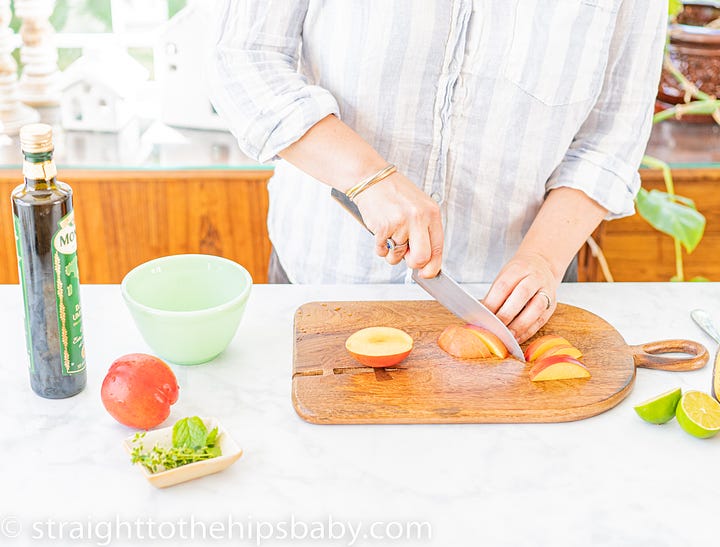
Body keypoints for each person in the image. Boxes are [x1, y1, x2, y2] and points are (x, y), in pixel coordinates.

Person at [208, 1, 666, 342]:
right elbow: (243, 57)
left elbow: (612, 134)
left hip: (509, 303)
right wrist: (367, 175)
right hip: (322, 281)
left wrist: (543, 259)